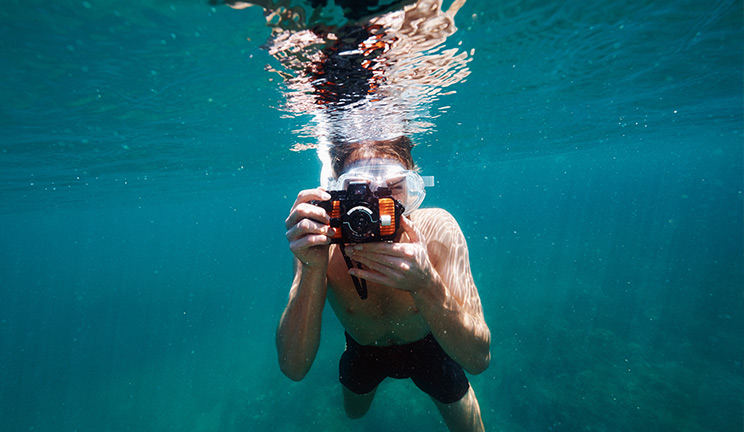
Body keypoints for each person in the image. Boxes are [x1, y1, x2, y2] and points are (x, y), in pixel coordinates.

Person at [280, 136, 490, 432]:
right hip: (363, 351)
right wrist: (313, 269)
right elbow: (294, 367)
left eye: (394, 189)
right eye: (360, 192)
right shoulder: (319, 243)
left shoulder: (436, 229)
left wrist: (426, 283)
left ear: (413, 190)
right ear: (335, 193)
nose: (378, 207)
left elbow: (479, 359)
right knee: (354, 415)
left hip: (431, 346)